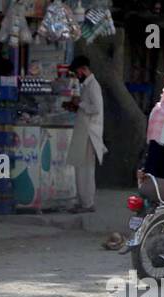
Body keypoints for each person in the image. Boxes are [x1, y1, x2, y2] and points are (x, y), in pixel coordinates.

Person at [64, 56, 105, 213]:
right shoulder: (87, 85)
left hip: (89, 133)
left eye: (78, 71)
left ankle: (87, 203)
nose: (77, 74)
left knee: (85, 170)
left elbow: (96, 108)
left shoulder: (93, 85)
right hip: (84, 131)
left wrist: (79, 103)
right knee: (80, 168)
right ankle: (83, 201)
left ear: (83, 69)